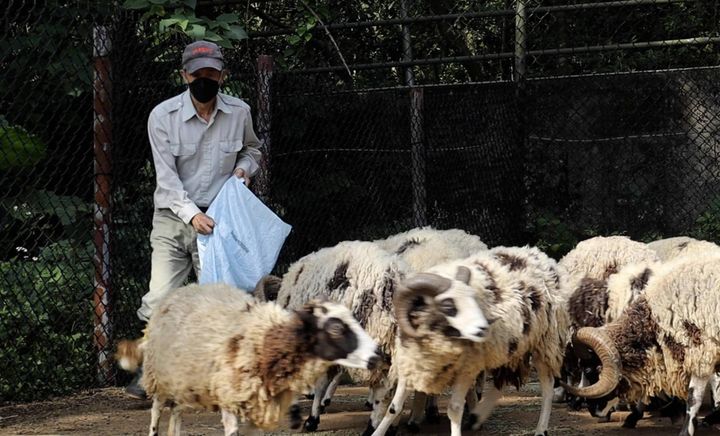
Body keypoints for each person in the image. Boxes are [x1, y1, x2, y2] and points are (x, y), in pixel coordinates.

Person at [125, 41, 262, 399]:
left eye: (212, 73)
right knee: (160, 297)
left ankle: (224, 372)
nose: (205, 79)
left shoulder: (239, 112)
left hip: (220, 219)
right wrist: (192, 215)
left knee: (219, 298)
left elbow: (252, 149)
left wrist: (244, 170)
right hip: (173, 217)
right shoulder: (163, 116)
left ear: (223, 75)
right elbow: (166, 179)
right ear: (185, 74)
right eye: (198, 73)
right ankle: (149, 371)